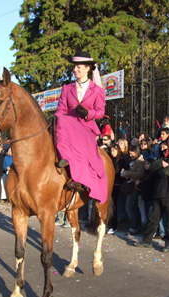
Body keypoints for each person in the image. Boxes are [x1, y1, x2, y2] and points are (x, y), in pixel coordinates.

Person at [55, 51, 107, 202]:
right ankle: (65, 162)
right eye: (75, 67)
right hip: (67, 127)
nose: (75, 69)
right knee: (60, 123)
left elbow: (100, 112)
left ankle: (82, 178)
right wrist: (58, 118)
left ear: (87, 69)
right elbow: (60, 110)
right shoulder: (66, 88)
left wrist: (87, 113)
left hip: (86, 128)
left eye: (79, 67)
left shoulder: (97, 90)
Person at [135, 139, 169, 252]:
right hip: (159, 193)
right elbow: (152, 167)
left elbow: (167, 172)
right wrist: (160, 165)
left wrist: (160, 169)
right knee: (153, 219)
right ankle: (147, 240)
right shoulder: (163, 159)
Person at [120, 145, 145, 234]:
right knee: (132, 207)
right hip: (131, 185)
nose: (131, 155)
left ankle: (134, 226)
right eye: (130, 153)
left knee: (129, 206)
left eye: (132, 153)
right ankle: (135, 224)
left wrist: (127, 173)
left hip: (135, 187)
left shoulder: (140, 162)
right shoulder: (133, 162)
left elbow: (140, 174)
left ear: (137, 152)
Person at [107, 144, 126, 234]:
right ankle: (110, 223)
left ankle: (114, 226)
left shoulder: (120, 161)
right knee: (110, 205)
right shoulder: (111, 159)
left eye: (114, 150)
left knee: (114, 206)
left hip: (117, 185)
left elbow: (116, 172)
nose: (112, 152)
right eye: (111, 151)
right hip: (110, 184)